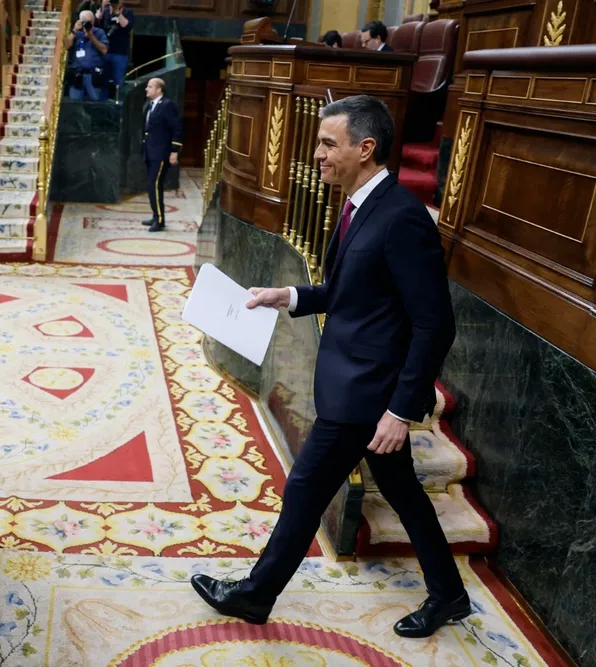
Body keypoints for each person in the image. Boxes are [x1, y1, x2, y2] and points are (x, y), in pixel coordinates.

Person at [190, 95, 469, 639]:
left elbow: (435, 325)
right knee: (404, 492)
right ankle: (450, 594)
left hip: (367, 396)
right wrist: (288, 296)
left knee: (305, 488)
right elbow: (353, 293)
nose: (317, 154)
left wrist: (399, 411)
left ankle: (255, 596)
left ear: (365, 148)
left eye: (327, 143)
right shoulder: (360, 206)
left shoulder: (402, 218)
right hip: (355, 383)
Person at [139, 77, 181, 232]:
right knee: (153, 186)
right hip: (150, 151)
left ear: (158, 89)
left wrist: (174, 151)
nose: (146, 89)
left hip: (161, 152)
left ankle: (159, 220)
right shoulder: (151, 105)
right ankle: (156, 215)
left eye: (150, 87)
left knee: (154, 185)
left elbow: (176, 128)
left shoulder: (167, 105)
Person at [65, 10, 107, 101]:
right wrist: (74, 31)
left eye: (90, 21)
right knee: (74, 103)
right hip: (77, 74)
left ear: (93, 21)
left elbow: (104, 50)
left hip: (93, 75)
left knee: (96, 102)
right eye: (85, 21)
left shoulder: (99, 32)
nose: (88, 24)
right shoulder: (76, 33)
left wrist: (91, 37)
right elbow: (66, 46)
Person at [97, 0, 132, 94]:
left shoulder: (128, 12)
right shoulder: (105, 11)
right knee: (103, 80)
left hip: (120, 52)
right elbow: (96, 24)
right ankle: (102, 100)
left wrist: (117, 13)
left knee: (118, 82)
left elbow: (127, 26)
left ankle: (118, 100)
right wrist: (102, 8)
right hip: (104, 51)